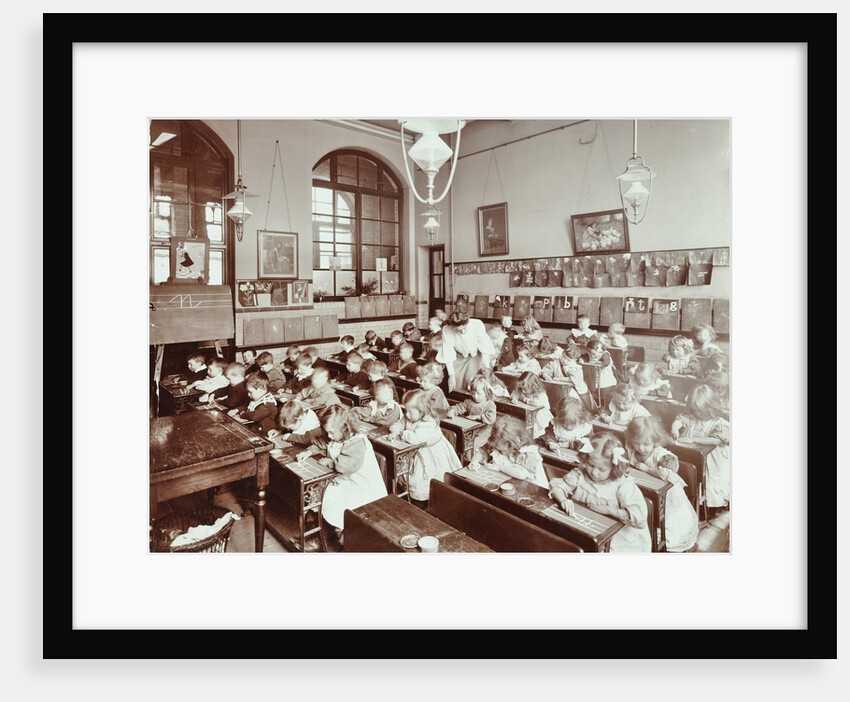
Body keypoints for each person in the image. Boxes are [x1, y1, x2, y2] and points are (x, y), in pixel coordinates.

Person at [299, 405, 388, 545]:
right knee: (318, 490)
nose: (329, 436)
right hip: (347, 480)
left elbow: (344, 466)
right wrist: (309, 452)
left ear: (344, 427)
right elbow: (322, 443)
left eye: (331, 432)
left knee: (324, 494)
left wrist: (330, 462)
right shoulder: (336, 436)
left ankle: (335, 533)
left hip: (364, 489)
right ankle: (318, 530)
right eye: (327, 432)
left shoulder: (357, 442)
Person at [548, 432, 652, 553]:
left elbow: (639, 519)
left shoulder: (622, 486)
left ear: (614, 467)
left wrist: (609, 510)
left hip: (620, 540)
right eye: (591, 465)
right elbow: (557, 486)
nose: (594, 472)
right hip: (589, 530)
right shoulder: (579, 474)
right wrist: (563, 499)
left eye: (602, 469)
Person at [625, 415, 699, 552]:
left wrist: (647, 469)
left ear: (655, 441)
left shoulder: (660, 455)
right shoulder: (630, 449)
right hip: (643, 492)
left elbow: (670, 474)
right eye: (636, 443)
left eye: (646, 444)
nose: (641, 448)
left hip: (667, 498)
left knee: (666, 523)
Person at [388, 389, 462, 502]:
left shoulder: (428, 422)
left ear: (422, 411)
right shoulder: (409, 416)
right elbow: (399, 424)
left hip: (431, 454)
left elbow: (415, 438)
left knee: (427, 481)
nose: (406, 414)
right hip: (415, 452)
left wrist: (403, 433)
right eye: (406, 411)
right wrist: (395, 432)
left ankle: (430, 499)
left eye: (410, 412)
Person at [671, 384, 731, 517]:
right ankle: (693, 501)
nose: (696, 413)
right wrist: (675, 428)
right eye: (694, 410)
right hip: (694, 455)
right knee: (691, 477)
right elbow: (680, 419)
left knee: (710, 482)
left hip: (712, 459)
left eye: (699, 411)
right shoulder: (691, 416)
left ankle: (711, 507)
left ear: (710, 407)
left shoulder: (719, 423)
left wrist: (692, 440)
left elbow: (715, 440)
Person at [436, 309, 496, 393]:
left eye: (464, 328)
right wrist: (451, 374)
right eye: (459, 330)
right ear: (453, 327)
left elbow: (485, 348)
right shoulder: (447, 329)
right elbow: (448, 352)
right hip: (459, 357)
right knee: (456, 383)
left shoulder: (477, 324)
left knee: (471, 382)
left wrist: (486, 368)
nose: (463, 332)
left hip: (475, 356)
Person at [481, 415, 548, 488]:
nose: (502, 453)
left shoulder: (527, 454)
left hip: (534, 488)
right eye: (499, 450)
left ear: (513, 444)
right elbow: (482, 451)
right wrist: (474, 461)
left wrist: (499, 467)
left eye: (503, 450)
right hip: (514, 483)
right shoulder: (498, 442)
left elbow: (522, 475)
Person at [446, 375, 497, 464]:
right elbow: (460, 407)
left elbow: (492, 418)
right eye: (473, 393)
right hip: (470, 430)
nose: (475, 396)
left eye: (478, 394)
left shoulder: (489, 404)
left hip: (483, 432)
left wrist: (478, 417)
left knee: (475, 445)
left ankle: (474, 461)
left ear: (487, 392)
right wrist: (453, 410)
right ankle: (464, 460)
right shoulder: (468, 402)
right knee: (461, 440)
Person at [540, 343, 598, 414]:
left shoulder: (575, 367)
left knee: (575, 408)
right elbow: (545, 370)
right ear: (562, 353)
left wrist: (558, 379)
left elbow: (575, 380)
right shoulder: (555, 363)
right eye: (563, 357)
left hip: (574, 390)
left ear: (574, 360)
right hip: (559, 390)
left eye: (568, 360)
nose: (565, 361)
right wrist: (545, 374)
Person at [510, 371, 553, 439]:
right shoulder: (522, 390)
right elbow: (515, 393)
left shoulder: (540, 394)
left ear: (534, 386)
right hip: (528, 414)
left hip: (540, 416)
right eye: (521, 388)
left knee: (537, 433)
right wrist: (514, 398)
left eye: (525, 389)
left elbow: (537, 404)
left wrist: (524, 399)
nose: (523, 391)